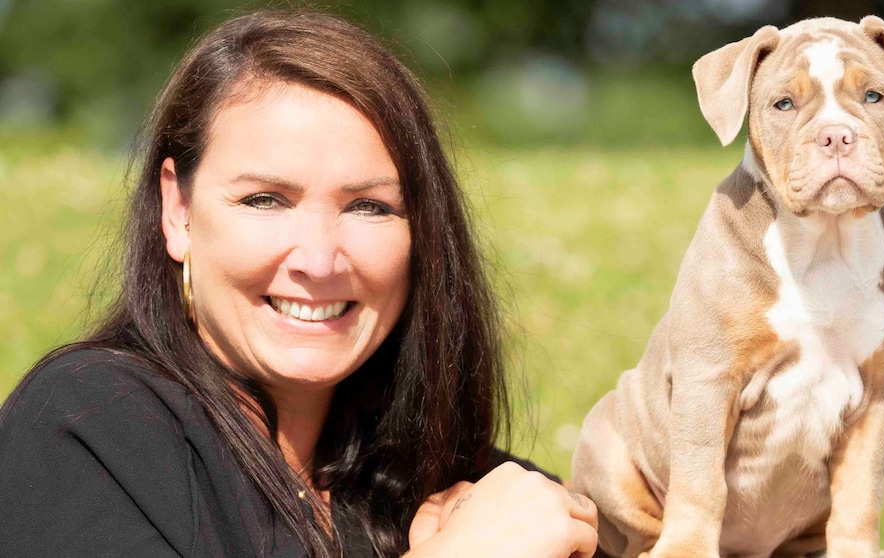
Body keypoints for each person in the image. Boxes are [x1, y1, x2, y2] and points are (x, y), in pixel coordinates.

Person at [0, 9, 598, 558]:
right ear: (177, 212)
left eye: (369, 207)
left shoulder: (450, 488)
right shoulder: (88, 426)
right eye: (265, 200)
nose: (319, 259)